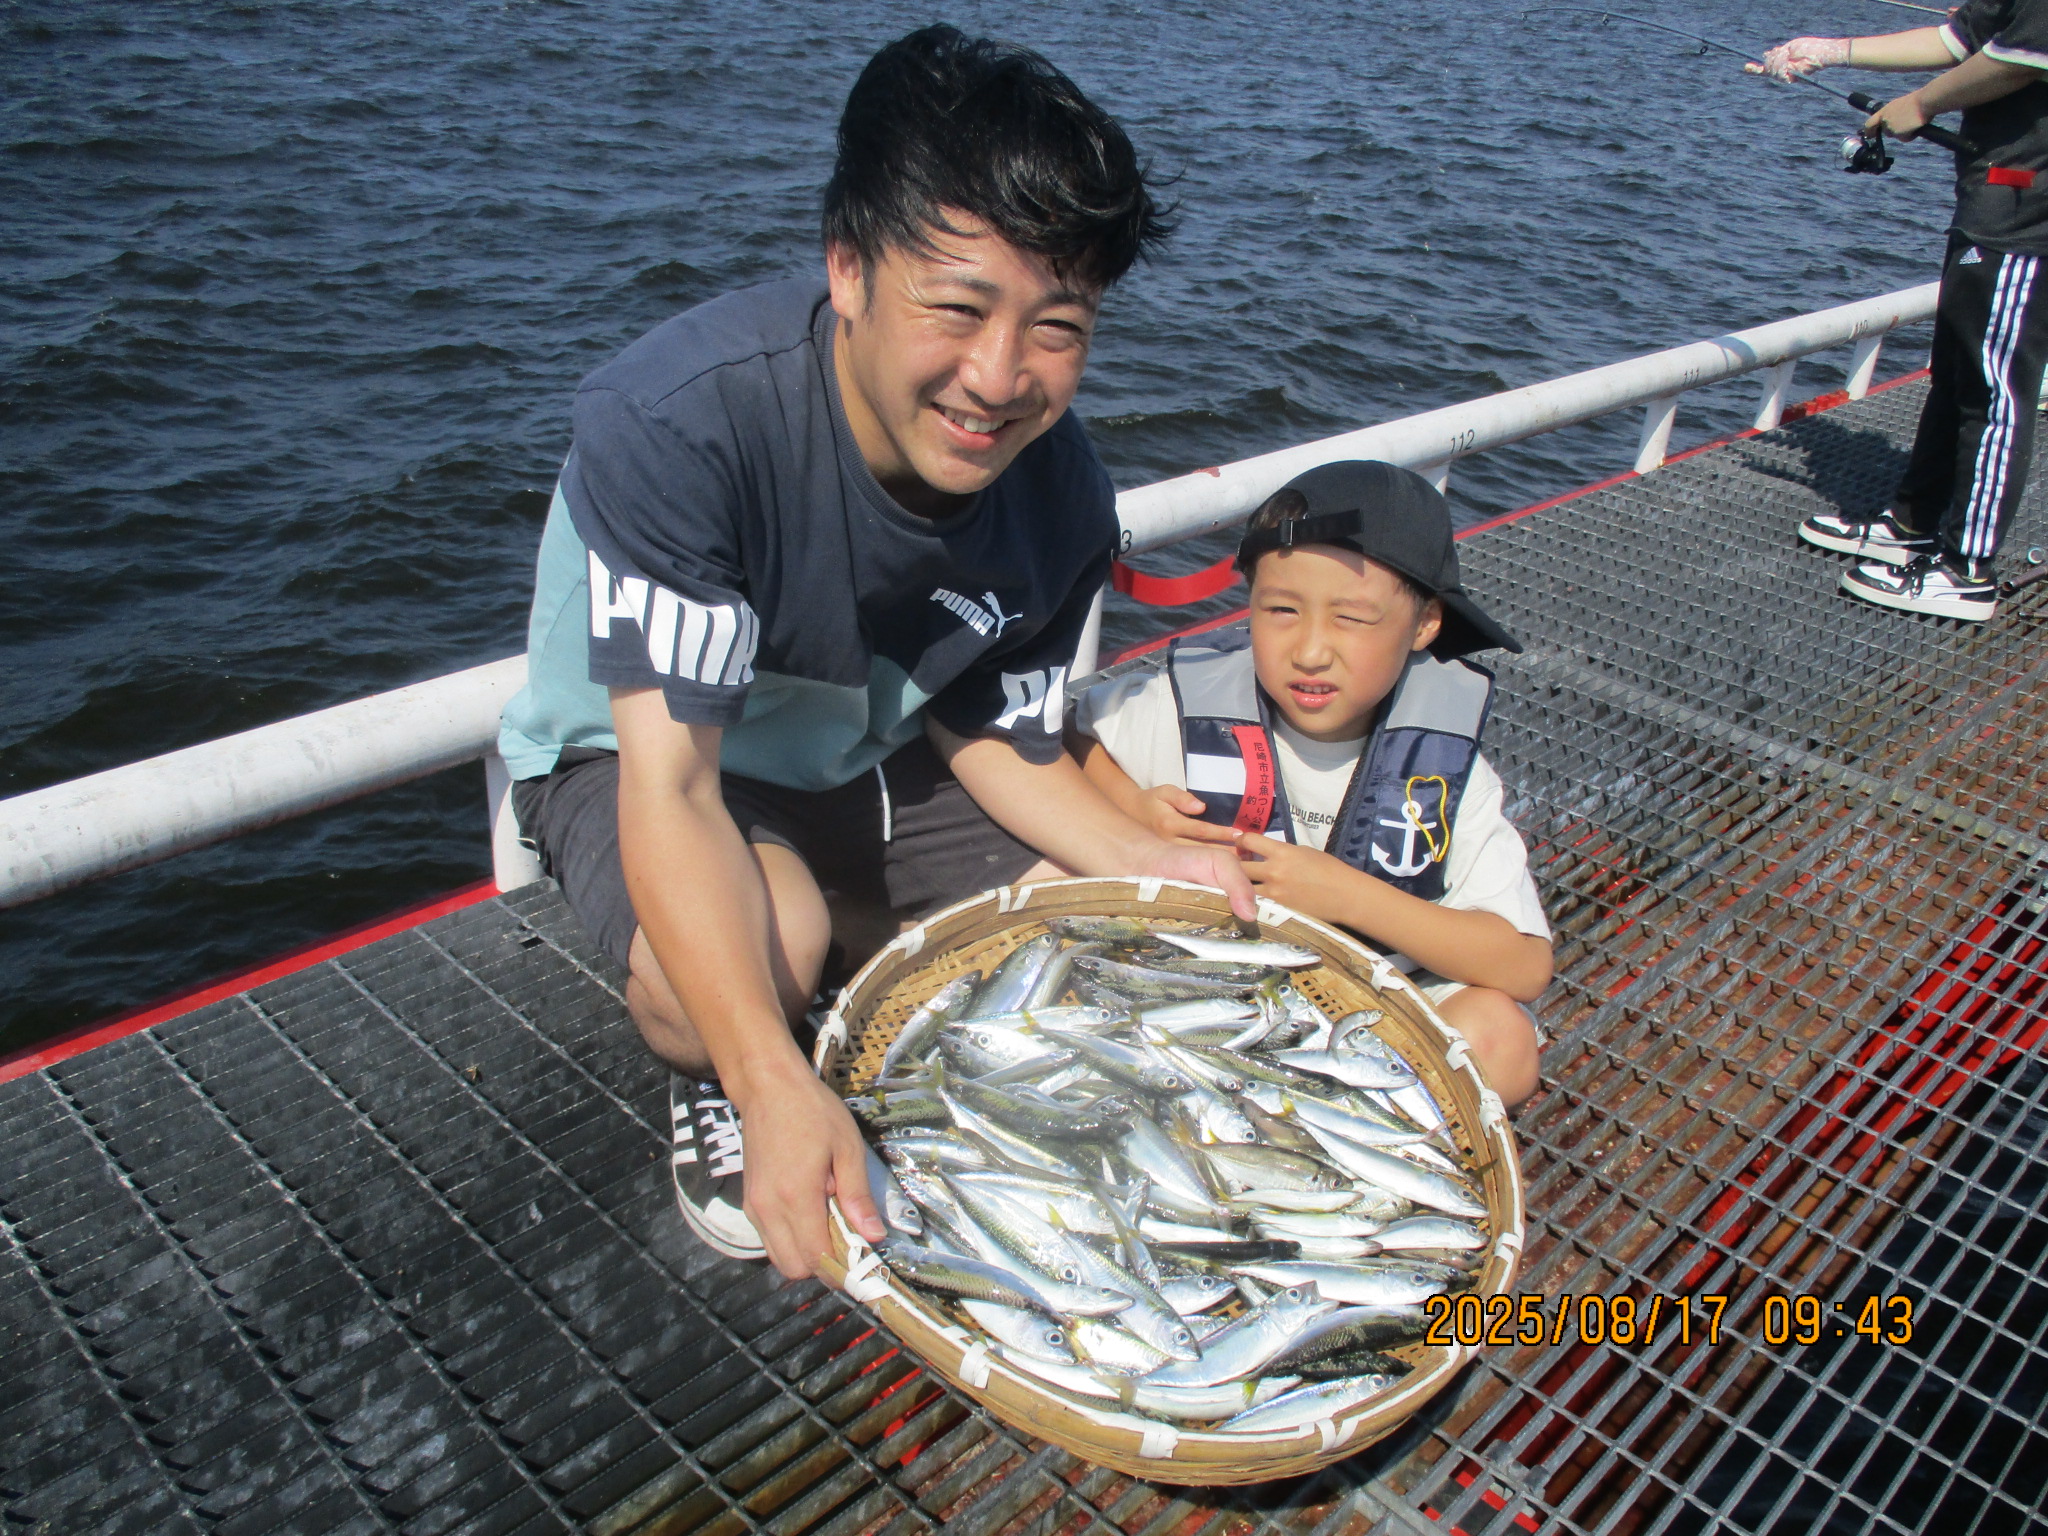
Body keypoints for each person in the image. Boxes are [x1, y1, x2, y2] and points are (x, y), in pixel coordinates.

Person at [496, 26, 1253, 1281]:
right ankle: (726, 1070)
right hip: (643, 751)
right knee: (765, 954)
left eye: (1055, 327)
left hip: (864, 748)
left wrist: (1151, 858)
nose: (997, 378)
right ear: (847, 268)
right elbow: (670, 785)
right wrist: (765, 1075)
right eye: (955, 308)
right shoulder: (684, 425)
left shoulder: (1058, 496)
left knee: (1087, 929)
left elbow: (993, 734)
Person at [1070, 461, 1552, 1107]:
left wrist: (1349, 897)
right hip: (1209, 994)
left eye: (1352, 618)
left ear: (1427, 624)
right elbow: (1070, 739)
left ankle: (1346, 1134)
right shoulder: (1180, 709)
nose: (1310, 650)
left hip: (1374, 1017)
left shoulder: (1449, 775)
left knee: (1503, 1043)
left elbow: (1523, 967)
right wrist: (1132, 807)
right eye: (1282, 610)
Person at [1758, 6, 2048, 621]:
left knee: (1994, 392)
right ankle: (1914, 525)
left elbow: (2018, 59)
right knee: (1957, 373)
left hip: (2027, 215)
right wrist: (1831, 50)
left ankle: (1968, 569)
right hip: (1993, 196)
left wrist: (1921, 104)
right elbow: (1957, 38)